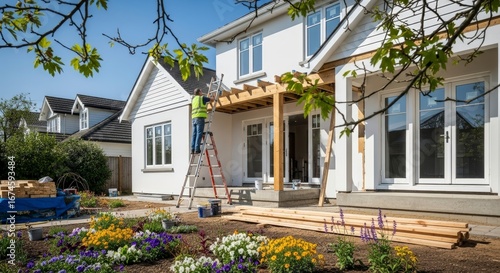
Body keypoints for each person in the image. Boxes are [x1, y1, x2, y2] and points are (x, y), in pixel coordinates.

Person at [191, 88, 214, 154]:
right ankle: (197, 149)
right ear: (199, 92)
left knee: (194, 134)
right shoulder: (202, 98)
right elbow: (211, 100)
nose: (202, 92)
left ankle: (192, 149)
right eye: (201, 91)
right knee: (199, 133)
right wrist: (212, 96)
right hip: (200, 118)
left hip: (194, 118)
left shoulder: (193, 99)